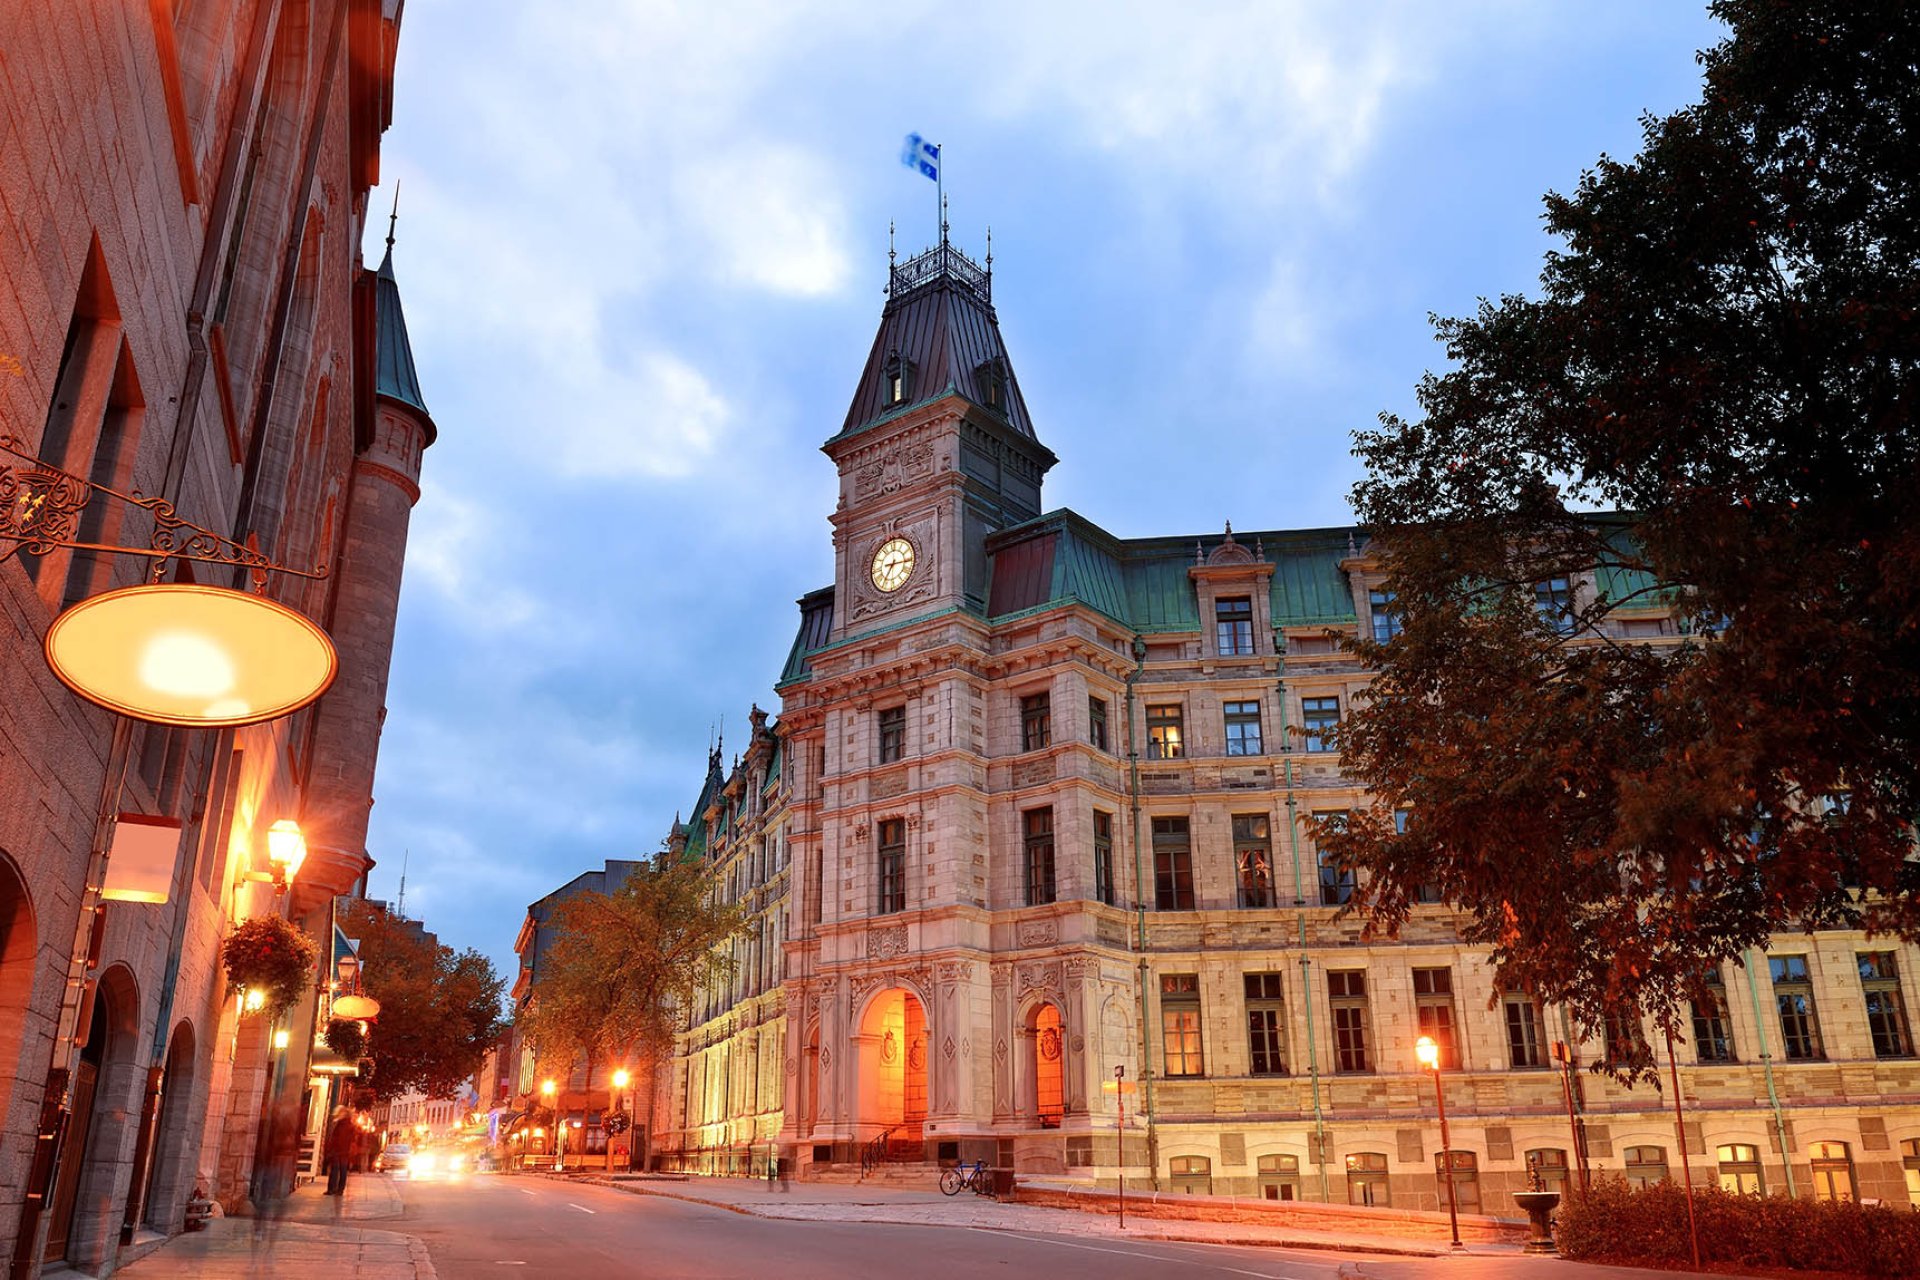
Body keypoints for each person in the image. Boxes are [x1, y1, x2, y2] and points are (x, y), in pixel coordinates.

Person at [324, 1106, 357, 1196]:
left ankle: (332, 1189)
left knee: (335, 1170)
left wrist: (331, 1149)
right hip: (344, 1152)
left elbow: (336, 1138)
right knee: (342, 1171)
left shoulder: (340, 1125)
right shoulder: (350, 1125)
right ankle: (339, 1190)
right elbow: (352, 1140)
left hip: (338, 1151)